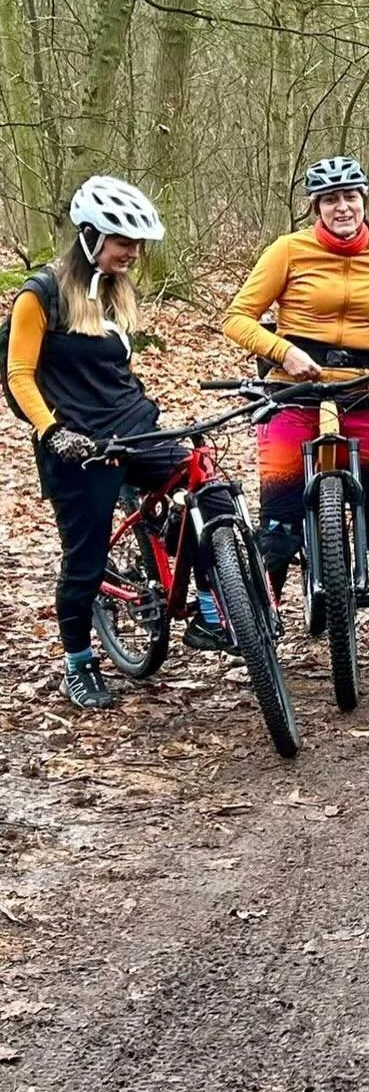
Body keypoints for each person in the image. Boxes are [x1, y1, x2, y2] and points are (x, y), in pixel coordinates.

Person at [222, 155, 369, 668]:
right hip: (292, 394)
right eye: (330, 199)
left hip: (361, 392)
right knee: (277, 527)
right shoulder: (288, 250)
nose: (341, 207)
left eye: (350, 197)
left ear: (364, 201)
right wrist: (283, 351)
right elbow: (237, 318)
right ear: (315, 208)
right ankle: (261, 637)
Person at [5, 177, 226, 710]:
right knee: (85, 561)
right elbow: (17, 376)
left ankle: (211, 611)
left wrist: (154, 418)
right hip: (77, 442)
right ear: (89, 235)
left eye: (138, 243)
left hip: (136, 428)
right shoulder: (42, 294)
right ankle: (79, 665)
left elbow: (116, 371)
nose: (133, 253)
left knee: (210, 493)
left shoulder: (115, 290)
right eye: (123, 241)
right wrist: (54, 433)